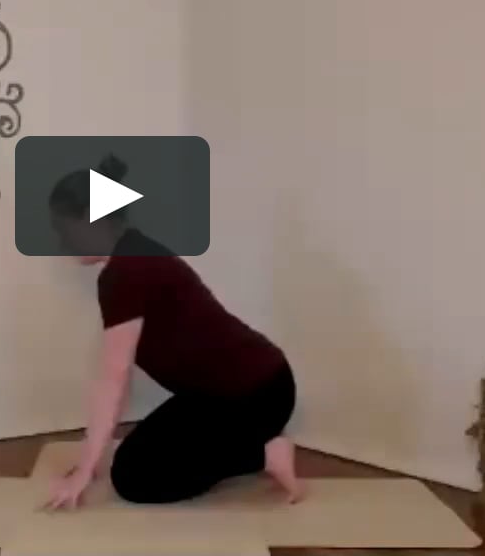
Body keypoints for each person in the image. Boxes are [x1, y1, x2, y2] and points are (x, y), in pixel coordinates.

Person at [43, 153, 303, 511]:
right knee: (135, 459)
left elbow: (114, 378)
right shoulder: (134, 252)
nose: (61, 243)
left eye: (64, 230)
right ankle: (254, 445)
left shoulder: (125, 273)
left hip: (256, 394)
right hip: (224, 392)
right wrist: (89, 460)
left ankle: (263, 455)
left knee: (134, 479)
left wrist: (85, 471)